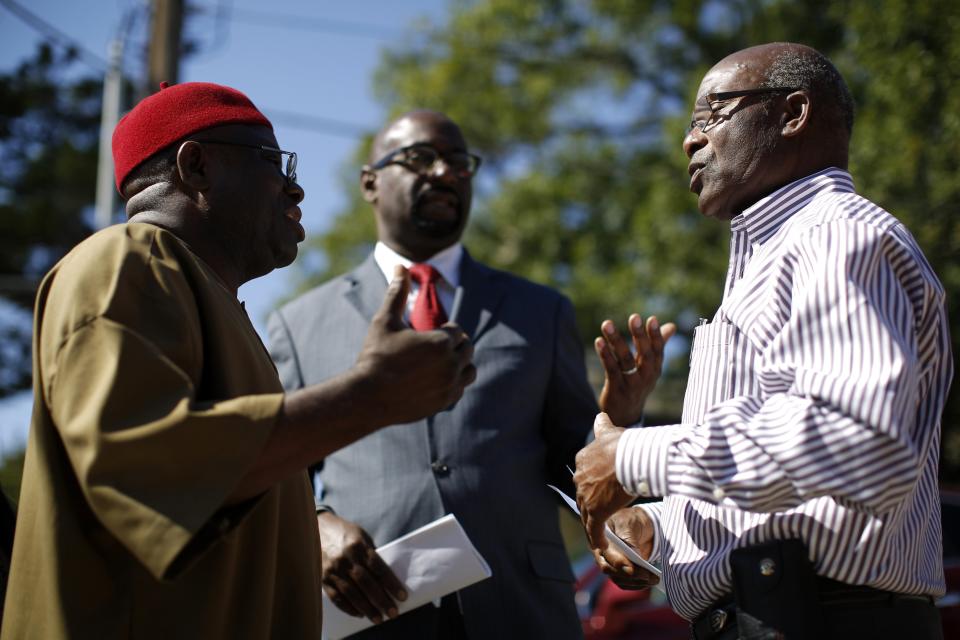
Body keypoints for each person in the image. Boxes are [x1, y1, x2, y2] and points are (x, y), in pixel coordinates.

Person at [1, 83, 475, 640]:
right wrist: (370, 396)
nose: (296, 188)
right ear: (196, 165)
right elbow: (146, 470)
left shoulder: (214, 304)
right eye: (276, 163)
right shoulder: (123, 261)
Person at [574, 42, 953, 639]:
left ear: (793, 114)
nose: (689, 141)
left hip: (825, 619)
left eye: (710, 116)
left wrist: (630, 455)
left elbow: (860, 443)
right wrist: (661, 529)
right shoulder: (774, 261)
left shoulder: (833, 237)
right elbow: (785, 498)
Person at [268, 110, 622, 639]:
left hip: (521, 608)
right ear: (370, 183)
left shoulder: (539, 311)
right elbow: (274, 462)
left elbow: (572, 459)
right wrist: (313, 526)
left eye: (460, 163)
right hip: (375, 608)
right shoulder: (298, 324)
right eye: (419, 159)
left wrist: (620, 429)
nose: (444, 173)